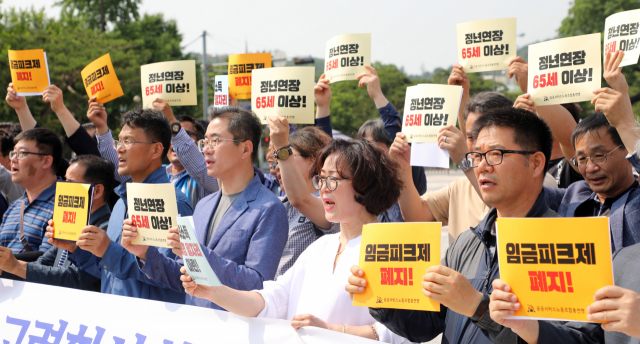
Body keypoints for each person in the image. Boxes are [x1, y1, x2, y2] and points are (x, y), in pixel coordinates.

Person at [347, 107, 558, 344]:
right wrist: (379, 295)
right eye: (476, 156)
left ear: (537, 163)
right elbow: (426, 326)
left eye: (496, 154)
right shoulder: (467, 242)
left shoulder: (563, 244)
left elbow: (575, 339)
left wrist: (478, 308)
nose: (482, 166)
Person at [177, 138, 411, 343]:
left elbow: (404, 332)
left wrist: (332, 331)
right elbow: (271, 301)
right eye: (321, 179)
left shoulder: (391, 249)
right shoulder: (321, 248)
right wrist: (213, 292)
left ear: (365, 184)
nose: (323, 189)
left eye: (334, 179)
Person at [121, 106, 288, 310]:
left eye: (215, 141)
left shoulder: (269, 208)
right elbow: (184, 278)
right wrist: (145, 253)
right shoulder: (203, 205)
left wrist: (196, 253)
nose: (206, 149)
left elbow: (257, 285)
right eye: (205, 142)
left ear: (245, 148)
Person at [46, 108, 194, 303]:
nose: (119, 149)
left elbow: (179, 277)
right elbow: (111, 271)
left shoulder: (173, 203)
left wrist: (108, 250)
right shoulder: (122, 201)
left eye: (129, 141)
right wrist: (77, 250)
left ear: (156, 150)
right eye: (119, 141)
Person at [390, 91, 512, 243]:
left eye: (483, 135)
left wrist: (464, 160)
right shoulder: (460, 187)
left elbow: (506, 209)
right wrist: (402, 170)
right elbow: (415, 214)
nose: (477, 144)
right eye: (470, 137)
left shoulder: (531, 181)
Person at [0, 155, 114, 292]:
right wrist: (6, 267)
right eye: (65, 180)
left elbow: (77, 278)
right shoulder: (72, 223)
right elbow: (44, 263)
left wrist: (16, 266)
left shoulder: (105, 230)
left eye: (71, 183)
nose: (64, 188)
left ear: (97, 191)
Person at [268, 116, 340, 278]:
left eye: (286, 156)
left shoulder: (331, 204)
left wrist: (281, 146)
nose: (279, 166)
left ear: (312, 159)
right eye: (276, 160)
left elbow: (301, 200)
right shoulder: (277, 206)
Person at [0, 128, 62, 255]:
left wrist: (11, 264)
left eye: (21, 153)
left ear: (46, 161)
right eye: (13, 153)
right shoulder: (14, 207)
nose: (13, 159)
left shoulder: (64, 205)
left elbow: (48, 263)